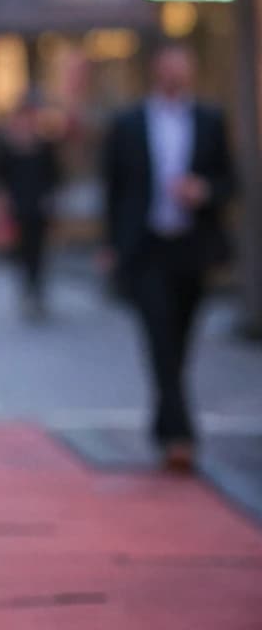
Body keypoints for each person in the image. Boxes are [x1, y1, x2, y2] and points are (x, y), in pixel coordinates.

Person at [102, 43, 235, 470]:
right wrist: (110, 245)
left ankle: (166, 420)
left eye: (183, 65)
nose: (176, 74)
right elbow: (114, 188)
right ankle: (180, 434)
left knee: (181, 339)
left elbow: (231, 180)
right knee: (158, 336)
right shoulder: (128, 123)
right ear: (155, 71)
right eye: (169, 67)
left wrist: (205, 190)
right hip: (146, 247)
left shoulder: (210, 120)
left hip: (192, 246)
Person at [0, 96, 59, 322]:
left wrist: (50, 197)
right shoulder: (7, 146)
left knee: (38, 250)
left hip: (38, 206)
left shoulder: (43, 145)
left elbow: (54, 175)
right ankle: (26, 288)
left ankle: (37, 289)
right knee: (21, 251)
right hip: (16, 205)